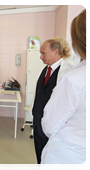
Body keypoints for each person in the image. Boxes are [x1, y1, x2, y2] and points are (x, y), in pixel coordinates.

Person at [41, 8, 88, 170]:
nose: (40, 57)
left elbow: (49, 125)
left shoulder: (73, 77)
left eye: (43, 53)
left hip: (69, 155)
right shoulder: (47, 69)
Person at [32, 37, 75, 169]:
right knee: (39, 149)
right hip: (39, 120)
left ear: (56, 52)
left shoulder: (67, 72)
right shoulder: (44, 70)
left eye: (43, 53)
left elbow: (66, 104)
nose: (40, 57)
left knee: (52, 154)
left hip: (54, 124)